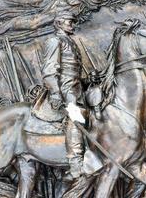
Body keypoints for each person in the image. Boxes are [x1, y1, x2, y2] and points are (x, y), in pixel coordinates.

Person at [32, 10, 86, 179]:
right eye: (69, 21)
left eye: (73, 22)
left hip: (76, 87)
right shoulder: (54, 41)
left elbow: (73, 69)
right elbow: (49, 70)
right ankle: (75, 160)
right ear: (59, 23)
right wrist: (55, 92)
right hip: (64, 89)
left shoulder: (69, 41)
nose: (73, 25)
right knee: (76, 116)